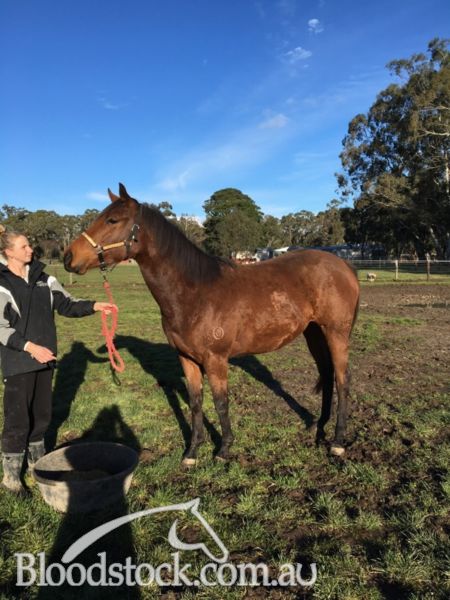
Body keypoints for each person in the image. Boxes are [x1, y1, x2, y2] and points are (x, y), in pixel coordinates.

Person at [0, 228, 116, 494]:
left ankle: (36, 465)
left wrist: (94, 305)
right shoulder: (2, 283)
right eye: (24, 246)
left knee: (42, 416)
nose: (31, 250)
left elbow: (67, 304)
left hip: (46, 359)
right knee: (18, 420)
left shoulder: (44, 278)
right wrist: (30, 348)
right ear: (8, 252)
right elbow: (1, 328)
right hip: (18, 361)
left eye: (29, 245)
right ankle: (11, 479)